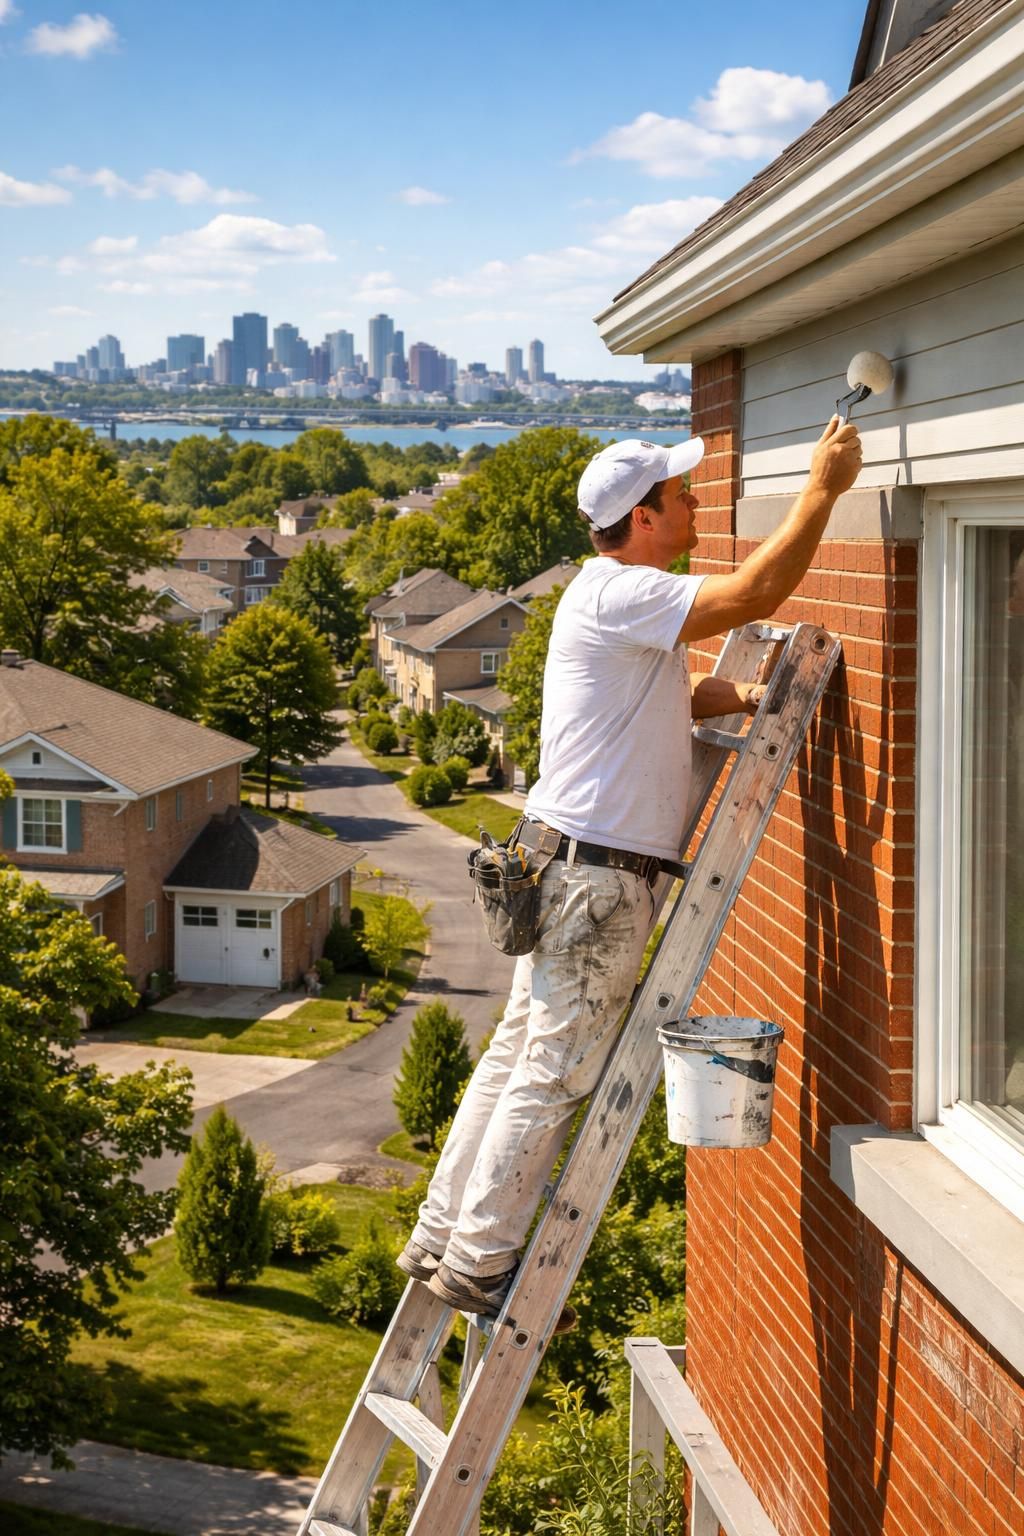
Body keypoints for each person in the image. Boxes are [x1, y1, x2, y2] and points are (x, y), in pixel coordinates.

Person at [397, 416, 863, 1327]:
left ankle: (443, 1233)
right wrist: (824, 489)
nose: (695, 505)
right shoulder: (621, 592)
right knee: (555, 1072)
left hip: (560, 862)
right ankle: (482, 1264)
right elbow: (753, 592)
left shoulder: (605, 599)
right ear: (643, 517)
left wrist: (727, 696)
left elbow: (658, 702)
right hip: (595, 883)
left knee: (514, 1056)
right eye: (681, 496)